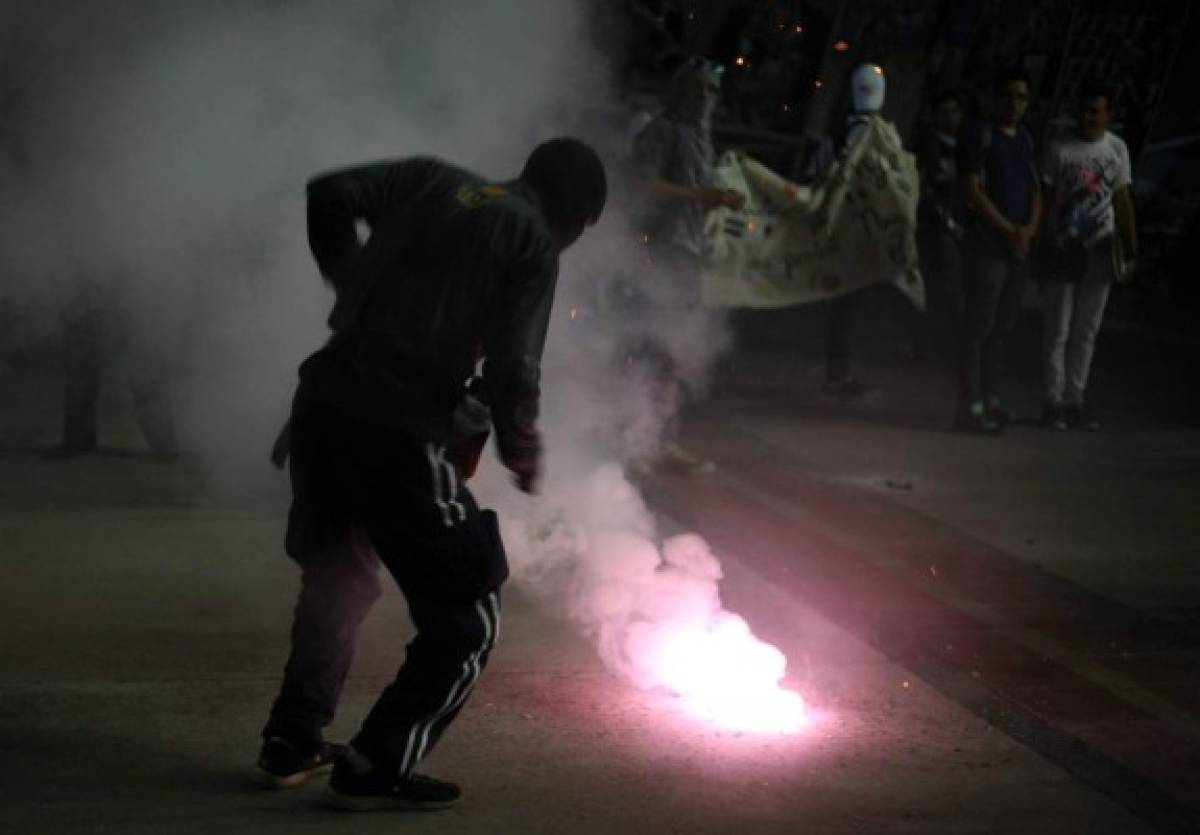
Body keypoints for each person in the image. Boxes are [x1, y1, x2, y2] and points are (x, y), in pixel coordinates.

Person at [256, 138, 607, 810]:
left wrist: (349, 281)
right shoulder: (531, 237)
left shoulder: (432, 178)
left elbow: (327, 191)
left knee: (340, 577)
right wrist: (522, 449)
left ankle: (290, 741)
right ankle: (373, 764)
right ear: (576, 217)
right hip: (401, 425)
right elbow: (515, 369)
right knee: (469, 615)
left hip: (323, 404)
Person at [629, 57, 744, 473]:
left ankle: (660, 436)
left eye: (712, 89)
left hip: (688, 252)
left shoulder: (700, 136)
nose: (706, 98)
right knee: (648, 343)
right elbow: (645, 184)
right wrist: (701, 197)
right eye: (699, 88)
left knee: (672, 346)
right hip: (660, 250)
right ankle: (636, 439)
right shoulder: (665, 130)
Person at [1038, 80, 1137, 431]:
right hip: (1065, 248)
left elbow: (1122, 200)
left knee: (1086, 329)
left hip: (1100, 248)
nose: (1088, 117)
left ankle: (1074, 400)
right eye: (1084, 110)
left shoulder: (1117, 150)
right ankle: (1053, 400)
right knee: (1058, 328)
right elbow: (1046, 199)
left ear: (1108, 114)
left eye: (1096, 111)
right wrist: (1045, 240)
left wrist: (1129, 247)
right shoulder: (1060, 149)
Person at [955, 67, 1041, 434]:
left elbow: (1037, 190)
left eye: (1022, 97)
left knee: (1001, 327)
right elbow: (971, 188)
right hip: (989, 245)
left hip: (1015, 248)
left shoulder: (1024, 138)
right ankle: (969, 405)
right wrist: (1007, 229)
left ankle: (991, 397)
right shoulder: (981, 134)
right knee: (979, 326)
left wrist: (1029, 230)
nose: (1015, 104)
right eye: (1009, 96)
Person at [821, 62, 890, 401]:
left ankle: (840, 372)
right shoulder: (867, 134)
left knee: (850, 304)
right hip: (853, 228)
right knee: (849, 305)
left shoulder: (846, 131)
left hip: (852, 227)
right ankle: (839, 375)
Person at [914, 88, 966, 363]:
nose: (950, 117)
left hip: (958, 224)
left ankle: (938, 344)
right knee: (935, 285)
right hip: (936, 226)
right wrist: (947, 222)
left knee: (951, 289)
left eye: (954, 111)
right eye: (944, 112)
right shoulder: (929, 146)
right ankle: (923, 343)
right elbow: (925, 187)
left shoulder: (966, 147)